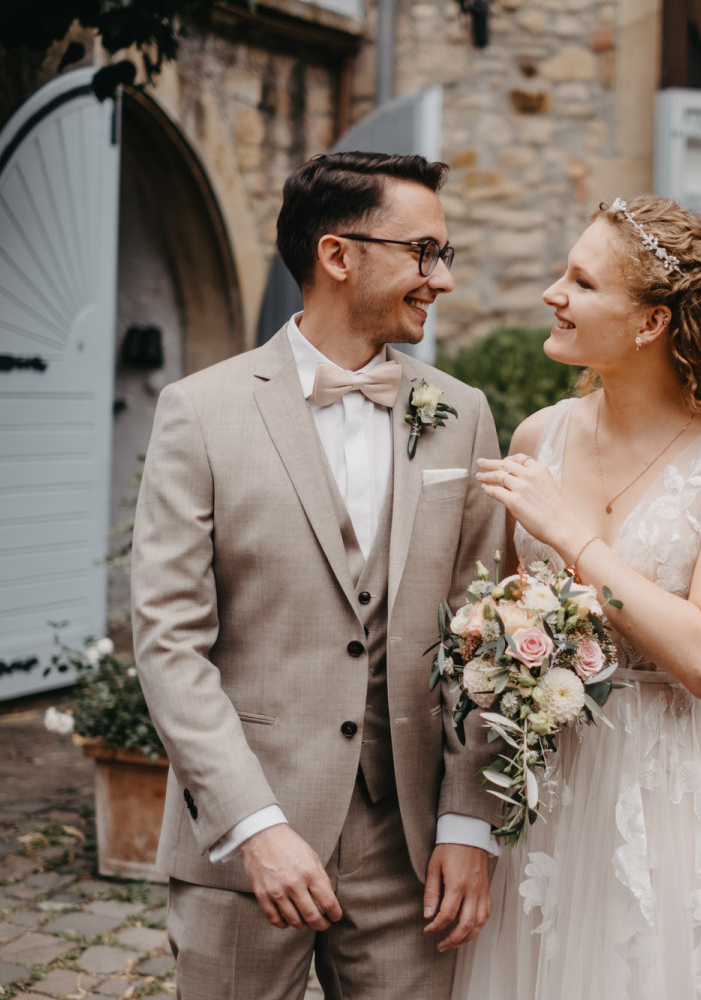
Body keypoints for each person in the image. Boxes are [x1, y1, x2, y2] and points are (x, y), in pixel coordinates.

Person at [131, 151, 506, 1000]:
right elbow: (169, 647)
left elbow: (485, 639)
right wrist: (254, 826)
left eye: (442, 255)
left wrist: (468, 822)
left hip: (409, 853)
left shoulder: (462, 415)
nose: (438, 279)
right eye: (424, 252)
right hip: (245, 838)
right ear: (339, 255)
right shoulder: (200, 412)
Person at [452, 195, 701, 999]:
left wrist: (574, 540)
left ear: (651, 323)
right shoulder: (539, 437)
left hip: (668, 788)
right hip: (545, 793)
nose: (554, 293)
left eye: (582, 283)